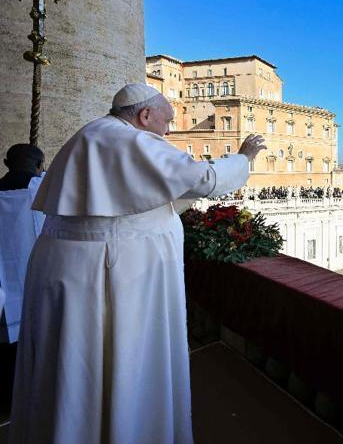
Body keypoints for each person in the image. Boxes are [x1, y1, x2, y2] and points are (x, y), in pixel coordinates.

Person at [10, 84, 266, 444]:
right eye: (167, 121)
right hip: (110, 267)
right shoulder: (130, 140)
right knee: (120, 356)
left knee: (73, 362)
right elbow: (203, 178)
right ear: (145, 116)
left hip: (73, 262)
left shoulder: (92, 134)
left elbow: (148, 195)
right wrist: (244, 157)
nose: (168, 130)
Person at [0, 144, 46, 416]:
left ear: (6, 163)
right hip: (35, 272)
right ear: (40, 164)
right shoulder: (44, 190)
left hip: (4, 280)